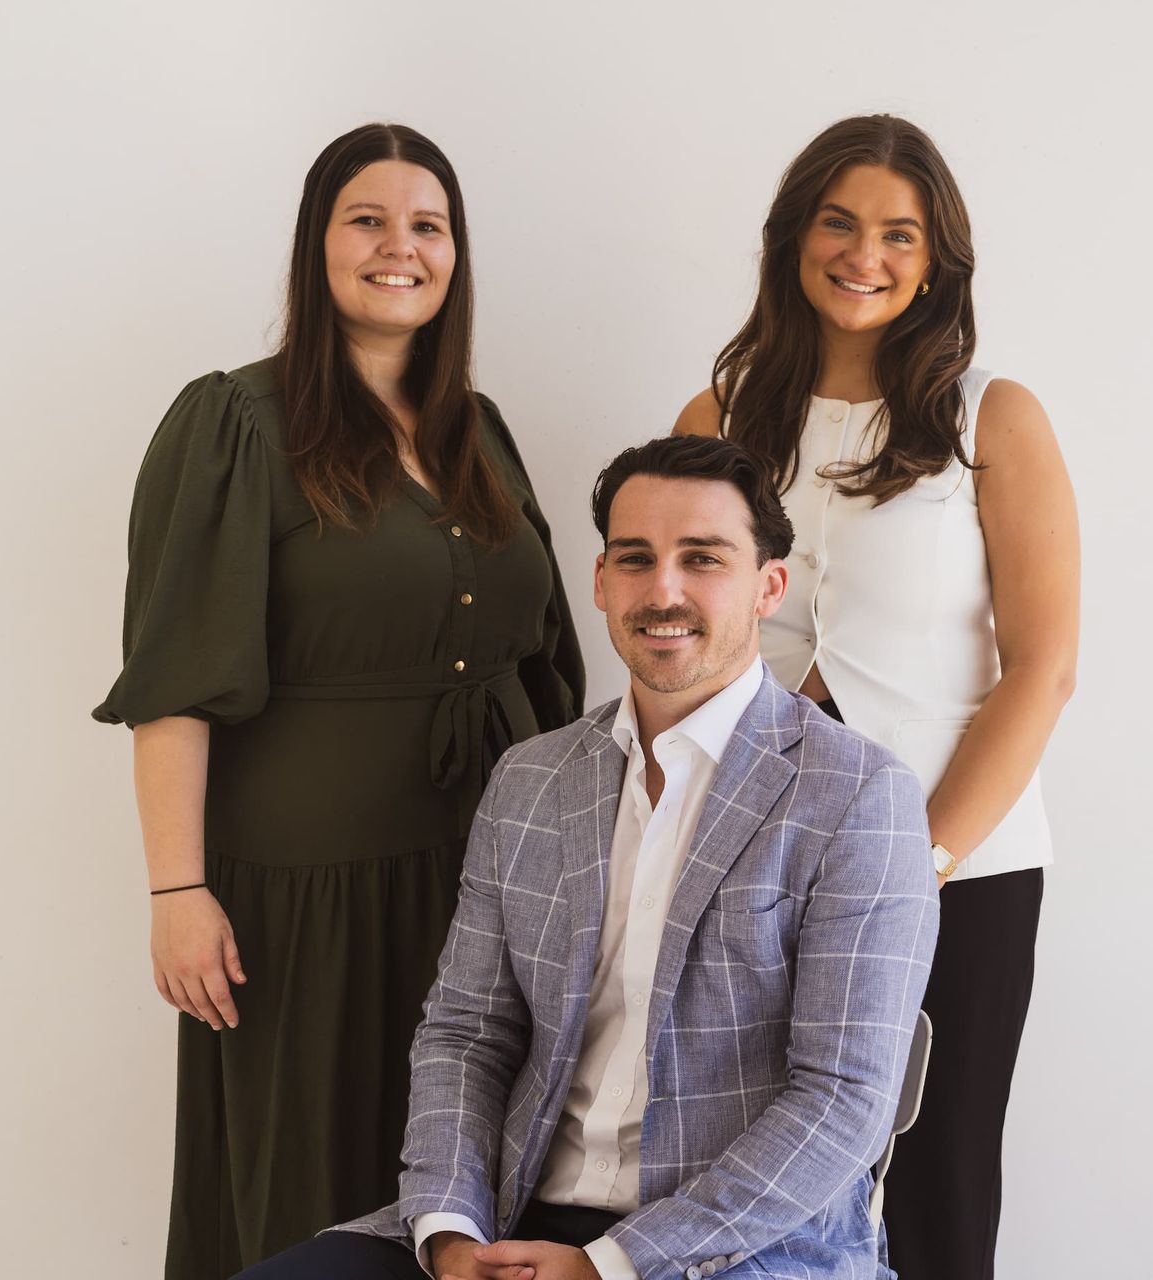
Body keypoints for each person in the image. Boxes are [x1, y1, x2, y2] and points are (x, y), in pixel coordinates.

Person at [238, 434, 939, 1279]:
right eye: (636, 559)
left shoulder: (861, 797)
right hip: (510, 1210)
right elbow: (467, 1033)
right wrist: (452, 1230)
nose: (664, 591)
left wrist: (610, 1265)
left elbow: (843, 1102)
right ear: (602, 582)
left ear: (769, 588)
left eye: (703, 559)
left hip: (739, 1247)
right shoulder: (531, 779)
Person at [93, 122, 584, 1278]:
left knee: (474, 1188)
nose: (397, 247)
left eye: (428, 225)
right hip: (309, 893)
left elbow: (548, 654)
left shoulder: (481, 429)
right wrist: (177, 888)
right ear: (318, 243)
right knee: (313, 1183)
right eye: (367, 219)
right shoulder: (236, 423)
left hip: (484, 875)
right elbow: (176, 679)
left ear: (455, 255)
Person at [672, 114, 1081, 1279]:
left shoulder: (993, 417)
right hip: (759, 861)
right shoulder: (717, 420)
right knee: (767, 1175)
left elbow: (1042, 668)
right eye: (839, 221)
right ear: (794, 236)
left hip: (963, 863)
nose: (866, 253)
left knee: (940, 1175)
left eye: (900, 233)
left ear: (936, 259)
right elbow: (685, 646)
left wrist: (922, 860)